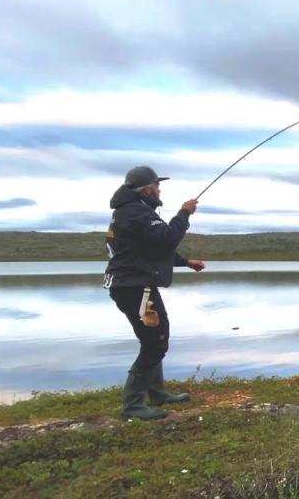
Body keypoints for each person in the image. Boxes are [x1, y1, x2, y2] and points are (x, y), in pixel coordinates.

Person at [104, 165, 205, 420]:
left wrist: (185, 262)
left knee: (152, 339)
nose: (160, 189)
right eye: (157, 185)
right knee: (156, 341)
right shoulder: (137, 212)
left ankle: (157, 393)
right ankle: (133, 404)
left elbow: (150, 250)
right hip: (134, 287)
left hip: (131, 285)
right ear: (147, 189)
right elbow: (167, 238)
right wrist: (184, 213)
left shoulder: (128, 212)